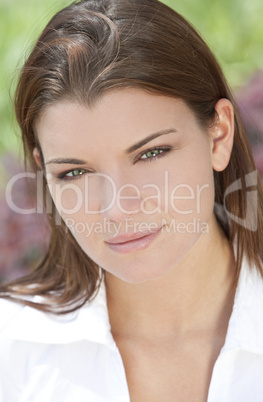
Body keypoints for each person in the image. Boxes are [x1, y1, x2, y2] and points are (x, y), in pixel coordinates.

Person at [0, 0, 263, 400]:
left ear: (219, 134)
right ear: (43, 172)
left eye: (151, 154)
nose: (116, 208)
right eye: (74, 172)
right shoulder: (13, 354)